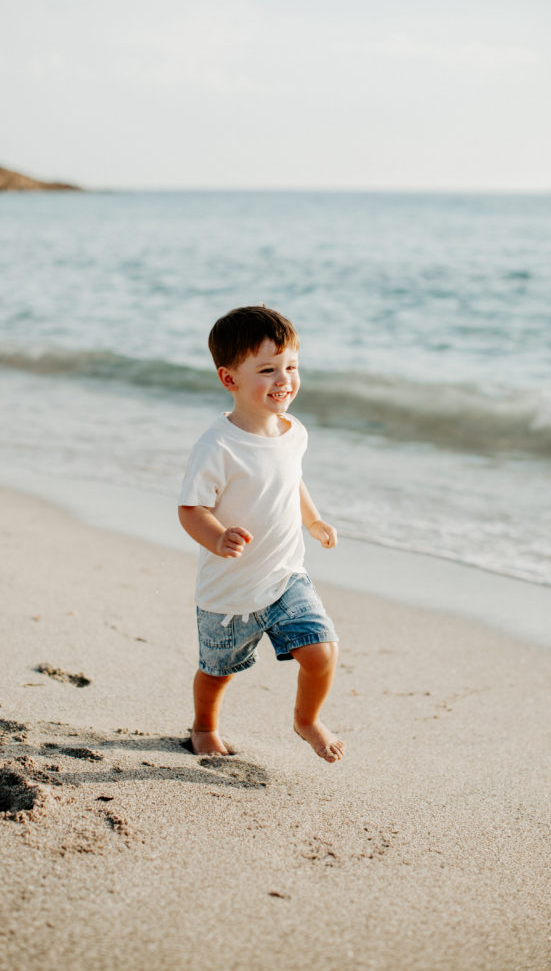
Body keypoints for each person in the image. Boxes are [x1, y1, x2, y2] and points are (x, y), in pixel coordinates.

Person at [178, 305, 344, 763]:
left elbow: (292, 481)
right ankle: (204, 726)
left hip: (286, 575)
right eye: (267, 370)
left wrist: (313, 520)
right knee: (217, 671)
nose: (283, 379)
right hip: (229, 591)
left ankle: (306, 719)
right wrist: (215, 538)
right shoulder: (218, 445)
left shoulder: (293, 432)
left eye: (291, 367)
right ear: (229, 379)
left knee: (322, 651)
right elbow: (191, 507)